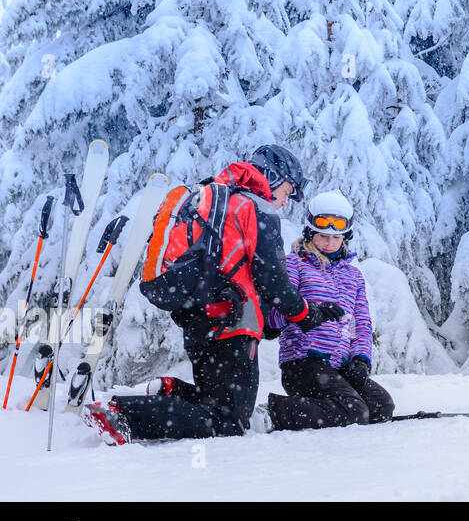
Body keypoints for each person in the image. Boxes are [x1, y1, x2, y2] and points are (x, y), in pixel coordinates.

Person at [81, 145, 344, 445]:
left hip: (201, 322)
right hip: (232, 326)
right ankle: (123, 415)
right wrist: (306, 314)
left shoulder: (222, 200)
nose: (286, 201)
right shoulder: (257, 209)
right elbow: (273, 282)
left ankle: (172, 393)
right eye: (287, 190)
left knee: (215, 406)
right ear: (272, 177)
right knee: (229, 421)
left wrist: (272, 322)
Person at [254, 190, 393, 432]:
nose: (329, 243)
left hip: (338, 366)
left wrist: (360, 360)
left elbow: (359, 323)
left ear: (344, 237)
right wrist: (310, 310)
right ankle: (272, 413)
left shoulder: (353, 276)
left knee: (381, 406)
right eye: (323, 236)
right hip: (302, 363)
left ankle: (333, 408)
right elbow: (274, 317)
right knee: (355, 411)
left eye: (336, 237)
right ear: (310, 233)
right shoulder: (295, 264)